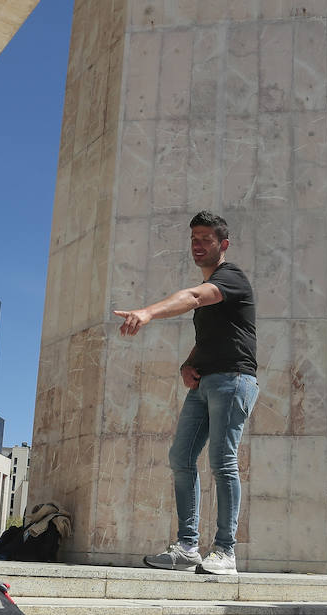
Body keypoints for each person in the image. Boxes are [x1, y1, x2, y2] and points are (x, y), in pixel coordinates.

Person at [113, 210, 259, 575]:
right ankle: (187, 547)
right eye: (193, 238)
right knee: (181, 457)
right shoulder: (216, 289)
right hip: (205, 381)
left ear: (222, 245)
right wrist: (186, 364)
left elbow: (194, 296)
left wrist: (147, 313)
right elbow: (208, 338)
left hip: (234, 380)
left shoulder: (231, 278)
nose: (197, 244)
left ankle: (225, 551)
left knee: (222, 460)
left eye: (205, 239)